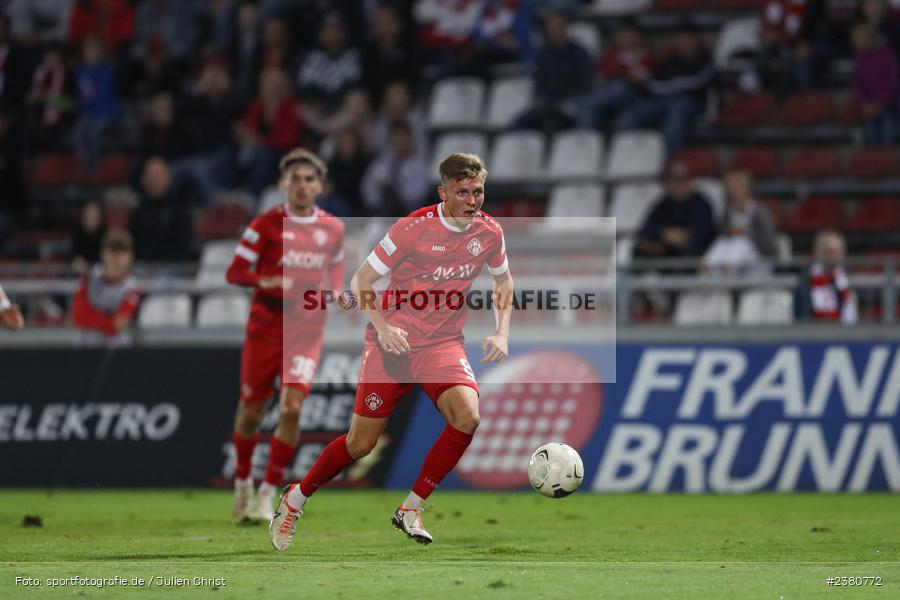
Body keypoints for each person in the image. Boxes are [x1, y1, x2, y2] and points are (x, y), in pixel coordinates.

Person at [269, 152, 514, 551]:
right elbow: (362, 280)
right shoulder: (411, 228)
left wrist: (502, 333)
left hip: (442, 345)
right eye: (463, 192)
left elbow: (503, 282)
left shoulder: (490, 232)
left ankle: (411, 508)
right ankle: (295, 498)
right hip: (392, 345)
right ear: (443, 193)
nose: (472, 201)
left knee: (467, 417)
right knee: (360, 444)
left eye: (478, 192)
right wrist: (382, 328)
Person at [225, 148, 348, 524]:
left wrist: (337, 290)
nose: (302, 185)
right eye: (295, 179)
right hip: (265, 328)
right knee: (251, 411)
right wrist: (265, 281)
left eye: (309, 179)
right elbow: (234, 271)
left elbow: (336, 266)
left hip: (306, 329)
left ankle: (267, 492)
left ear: (320, 186)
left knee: (292, 408)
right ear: (283, 184)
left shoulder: (333, 228)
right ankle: (242, 483)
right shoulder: (265, 224)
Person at [616, 29, 714, 154]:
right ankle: (629, 155)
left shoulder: (705, 60)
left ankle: (671, 157)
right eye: (682, 40)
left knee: (675, 116)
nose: (685, 43)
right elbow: (654, 83)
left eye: (689, 40)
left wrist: (670, 85)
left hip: (689, 101)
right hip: (662, 100)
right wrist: (666, 86)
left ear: (697, 41)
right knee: (630, 115)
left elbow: (697, 81)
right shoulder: (669, 61)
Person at [512, 11, 591, 133]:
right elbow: (539, 80)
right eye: (551, 29)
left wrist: (566, 100)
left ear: (565, 28)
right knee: (519, 124)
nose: (554, 32)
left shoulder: (579, 53)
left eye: (557, 28)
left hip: (570, 104)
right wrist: (539, 97)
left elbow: (584, 82)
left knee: (557, 125)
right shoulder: (544, 53)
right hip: (547, 103)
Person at [72, 229, 141, 346]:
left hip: (117, 347)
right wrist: (109, 322)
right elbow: (78, 316)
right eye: (112, 251)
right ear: (102, 253)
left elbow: (118, 324)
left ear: (130, 256)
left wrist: (91, 316)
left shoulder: (132, 288)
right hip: (85, 345)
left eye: (122, 252)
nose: (116, 257)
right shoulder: (88, 279)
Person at [635, 161, 715, 259]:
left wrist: (682, 236)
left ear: (690, 182)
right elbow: (645, 229)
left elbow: (703, 231)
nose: (678, 185)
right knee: (640, 249)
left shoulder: (701, 203)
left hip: (691, 248)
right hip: (665, 247)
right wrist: (664, 233)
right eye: (675, 180)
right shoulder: (662, 204)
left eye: (682, 180)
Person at [703, 171, 778, 274]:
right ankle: (707, 269)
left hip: (758, 258)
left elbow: (768, 243)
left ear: (746, 189)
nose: (732, 193)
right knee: (721, 242)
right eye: (730, 190)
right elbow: (721, 234)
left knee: (740, 243)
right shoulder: (728, 212)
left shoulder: (759, 212)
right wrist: (731, 233)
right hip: (734, 255)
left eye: (736, 189)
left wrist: (746, 233)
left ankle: (727, 271)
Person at [129, 157, 194, 262]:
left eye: (158, 175)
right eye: (150, 175)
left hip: (172, 266)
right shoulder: (137, 211)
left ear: (168, 178)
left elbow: (183, 246)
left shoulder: (180, 210)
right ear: (143, 180)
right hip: (141, 267)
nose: (154, 179)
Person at [851, 21, 900, 145]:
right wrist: (864, 103)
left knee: (887, 140)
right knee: (872, 141)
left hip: (887, 107)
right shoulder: (860, 58)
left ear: (868, 36)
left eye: (858, 37)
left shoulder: (887, 55)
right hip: (869, 107)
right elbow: (858, 84)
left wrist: (881, 104)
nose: (855, 42)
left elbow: (892, 83)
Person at [795, 229, 857, 323]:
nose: (831, 257)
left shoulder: (846, 281)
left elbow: (850, 317)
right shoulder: (805, 281)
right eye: (828, 252)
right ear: (818, 253)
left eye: (835, 252)